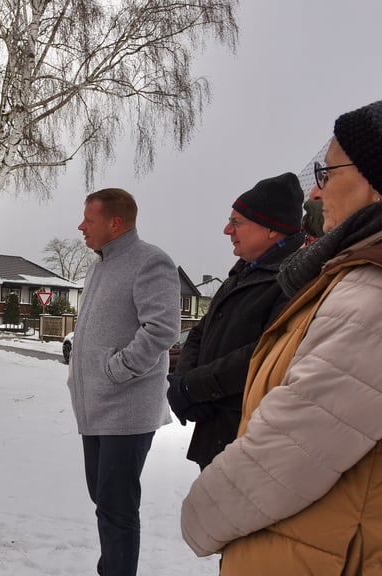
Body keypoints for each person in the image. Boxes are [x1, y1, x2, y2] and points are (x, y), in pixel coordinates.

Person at [181, 99, 382, 574]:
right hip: (294, 535)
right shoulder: (332, 275)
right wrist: (186, 378)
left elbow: (292, 449)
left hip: (316, 548)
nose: (315, 194)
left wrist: (198, 515)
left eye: (327, 173)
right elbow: (205, 330)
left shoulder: (369, 294)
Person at [67, 188, 181, 576]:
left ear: (115, 223)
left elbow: (163, 328)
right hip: (96, 408)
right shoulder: (99, 264)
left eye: (89, 219)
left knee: (117, 507)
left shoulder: (150, 261)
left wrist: (118, 369)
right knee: (104, 501)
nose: (81, 226)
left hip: (127, 410)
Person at [166, 173, 305, 469]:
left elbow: (265, 352)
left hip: (251, 440)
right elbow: (201, 331)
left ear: (272, 228)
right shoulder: (244, 270)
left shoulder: (296, 277)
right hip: (216, 431)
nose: (227, 230)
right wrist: (183, 382)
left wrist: (194, 388)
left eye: (237, 222)